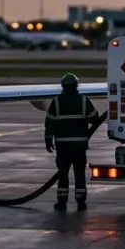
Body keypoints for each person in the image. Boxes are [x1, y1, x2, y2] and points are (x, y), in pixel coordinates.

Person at [44, 73, 104, 211]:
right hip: (79, 145)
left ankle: (62, 202)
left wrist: (48, 139)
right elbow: (94, 118)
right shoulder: (83, 101)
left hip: (62, 145)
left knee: (63, 174)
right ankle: (81, 202)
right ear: (76, 85)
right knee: (79, 174)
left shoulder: (57, 102)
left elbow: (50, 122)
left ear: (63, 86)